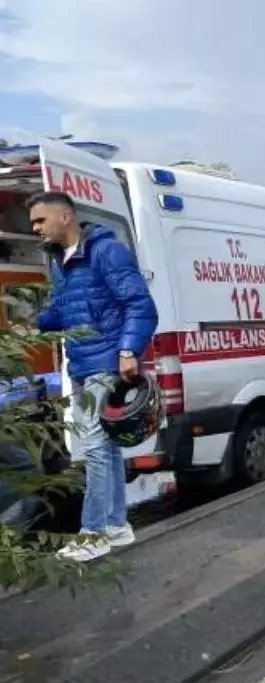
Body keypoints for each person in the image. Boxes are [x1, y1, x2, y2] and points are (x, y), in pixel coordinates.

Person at [28, 192, 158, 562]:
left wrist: (129, 350)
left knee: (96, 449)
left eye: (40, 221)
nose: (36, 229)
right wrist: (31, 320)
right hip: (82, 365)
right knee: (108, 448)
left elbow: (140, 304)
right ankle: (116, 525)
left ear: (65, 216)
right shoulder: (59, 262)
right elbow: (62, 312)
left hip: (106, 362)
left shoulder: (105, 252)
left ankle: (93, 532)